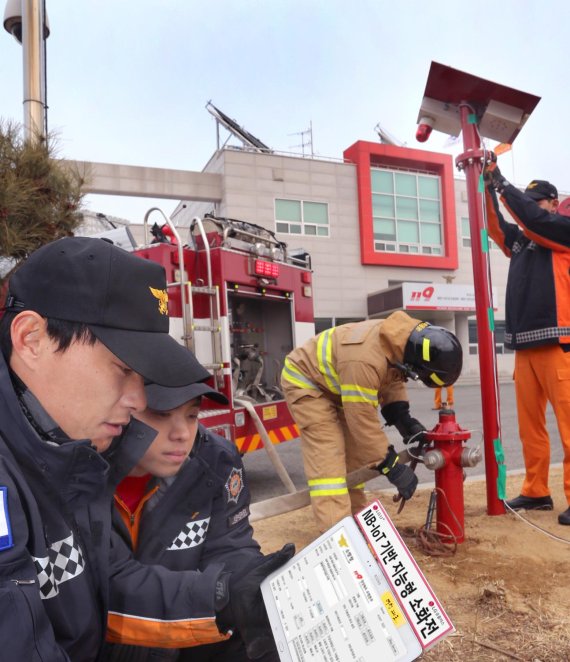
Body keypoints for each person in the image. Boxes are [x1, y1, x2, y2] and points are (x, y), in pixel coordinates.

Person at [0, 236, 291, 661]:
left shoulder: (65, 450)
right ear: (31, 339)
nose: (139, 401)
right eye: (122, 368)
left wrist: (225, 600)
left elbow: (105, 586)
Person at [105, 380, 284, 661]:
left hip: (191, 632)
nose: (182, 434)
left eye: (192, 415)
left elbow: (229, 545)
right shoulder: (84, 473)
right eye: (161, 414)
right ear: (122, 408)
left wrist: (248, 589)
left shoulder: (216, 458)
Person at [281, 310, 463, 531]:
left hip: (338, 386)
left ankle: (357, 520)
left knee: (355, 458)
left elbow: (392, 376)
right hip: (307, 383)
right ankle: (337, 536)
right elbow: (361, 419)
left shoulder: (403, 342)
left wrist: (402, 417)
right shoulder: (364, 360)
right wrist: (391, 466)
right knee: (328, 455)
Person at [484, 157, 570, 525]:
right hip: (525, 348)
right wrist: (488, 187)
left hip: (558, 344)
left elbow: (532, 220)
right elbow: (495, 226)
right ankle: (537, 491)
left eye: (539, 201)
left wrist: (502, 183)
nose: (533, 207)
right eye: (530, 201)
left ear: (552, 203)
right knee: (529, 426)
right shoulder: (522, 239)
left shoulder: (562, 230)